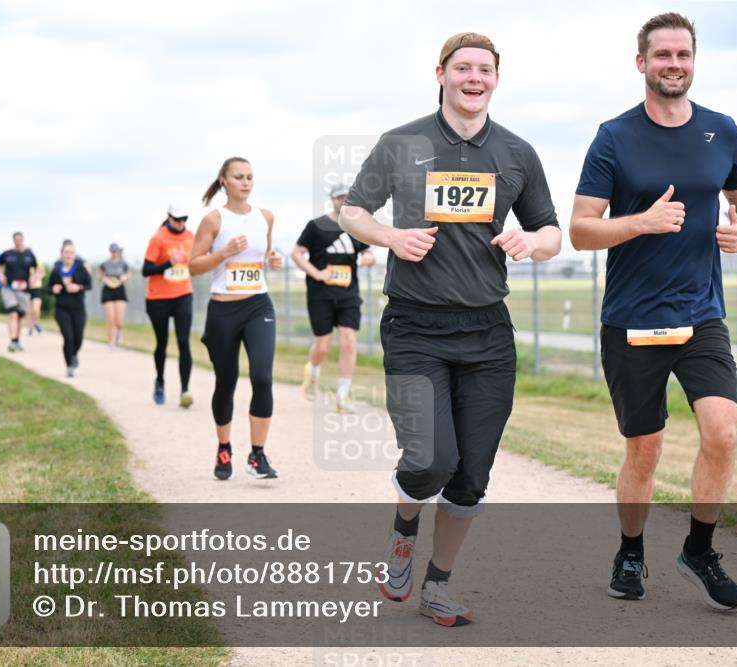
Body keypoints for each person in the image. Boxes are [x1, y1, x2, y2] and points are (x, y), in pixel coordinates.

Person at [339, 32, 562, 626]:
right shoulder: (401, 142)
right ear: (440, 73)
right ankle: (403, 527)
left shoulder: (516, 153)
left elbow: (551, 232)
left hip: (489, 333)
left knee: (471, 474)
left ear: (495, 79)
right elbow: (352, 211)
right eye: (462, 67)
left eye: (484, 70)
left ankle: (437, 585)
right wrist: (391, 237)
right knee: (431, 460)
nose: (473, 78)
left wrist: (530, 242)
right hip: (414, 325)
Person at [570, 13, 737, 611]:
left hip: (701, 314)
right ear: (642, 63)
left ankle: (700, 549)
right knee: (644, 450)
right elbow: (580, 229)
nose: (673, 64)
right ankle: (631, 550)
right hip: (631, 319)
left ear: (694, 60)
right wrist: (642, 223)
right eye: (662, 56)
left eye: (683, 54)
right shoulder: (613, 136)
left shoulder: (722, 131)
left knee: (722, 433)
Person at [189, 158, 284, 481]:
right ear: (224, 181)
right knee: (226, 382)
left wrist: (272, 260)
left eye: (250, 177)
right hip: (223, 310)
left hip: (258, 305)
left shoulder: (265, 217)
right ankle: (224, 447)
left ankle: (257, 455)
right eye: (239, 177)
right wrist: (224, 252)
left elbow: (263, 257)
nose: (246, 183)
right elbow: (194, 266)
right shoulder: (213, 220)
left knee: (262, 377)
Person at [293, 183, 376, 411]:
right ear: (332, 199)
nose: (343, 201)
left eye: (348, 197)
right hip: (321, 294)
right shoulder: (316, 226)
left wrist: (366, 259)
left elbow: (368, 253)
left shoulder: (357, 227)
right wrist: (316, 273)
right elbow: (297, 253)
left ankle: (343, 395)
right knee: (323, 345)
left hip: (348, 293)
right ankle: (313, 372)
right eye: (340, 197)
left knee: (349, 341)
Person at [143, 204, 196, 407]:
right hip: (158, 299)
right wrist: (168, 263)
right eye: (176, 219)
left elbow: (196, 260)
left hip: (183, 294)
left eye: (184, 219)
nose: (181, 223)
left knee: (183, 341)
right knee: (162, 343)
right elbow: (146, 270)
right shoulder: (158, 238)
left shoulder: (190, 236)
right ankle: (160, 381)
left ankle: (185, 390)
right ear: (168, 217)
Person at [49, 241, 93, 378]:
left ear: (75, 255)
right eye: (66, 252)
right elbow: (48, 288)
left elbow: (89, 285)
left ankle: (73, 354)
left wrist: (78, 287)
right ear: (61, 254)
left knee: (78, 338)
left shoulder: (80, 268)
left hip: (78, 308)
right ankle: (69, 366)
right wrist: (53, 289)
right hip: (62, 308)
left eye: (71, 252)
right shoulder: (56, 269)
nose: (68, 255)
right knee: (68, 337)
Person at [0, 231, 38, 352]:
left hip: (24, 290)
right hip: (9, 288)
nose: (18, 241)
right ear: (13, 240)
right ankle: (12, 341)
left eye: (20, 239)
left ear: (23, 240)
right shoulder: (7, 254)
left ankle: (17, 340)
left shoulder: (29, 255)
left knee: (19, 316)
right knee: (13, 314)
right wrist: (0, 275)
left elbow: (37, 269)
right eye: (16, 239)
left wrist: (33, 277)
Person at [98, 243, 131, 350]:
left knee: (119, 320)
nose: (114, 253)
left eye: (116, 251)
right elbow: (99, 275)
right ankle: (111, 342)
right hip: (108, 290)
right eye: (113, 251)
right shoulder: (105, 264)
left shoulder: (123, 263)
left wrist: (124, 277)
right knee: (110, 318)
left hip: (119, 290)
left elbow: (129, 274)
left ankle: (119, 332)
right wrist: (104, 279)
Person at [26, 259, 47, 335]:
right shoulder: (25, 265)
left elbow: (43, 273)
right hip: (28, 289)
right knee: (29, 310)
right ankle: (30, 328)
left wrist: (38, 277)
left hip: (37, 289)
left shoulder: (38, 263)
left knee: (36, 309)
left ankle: (36, 323)